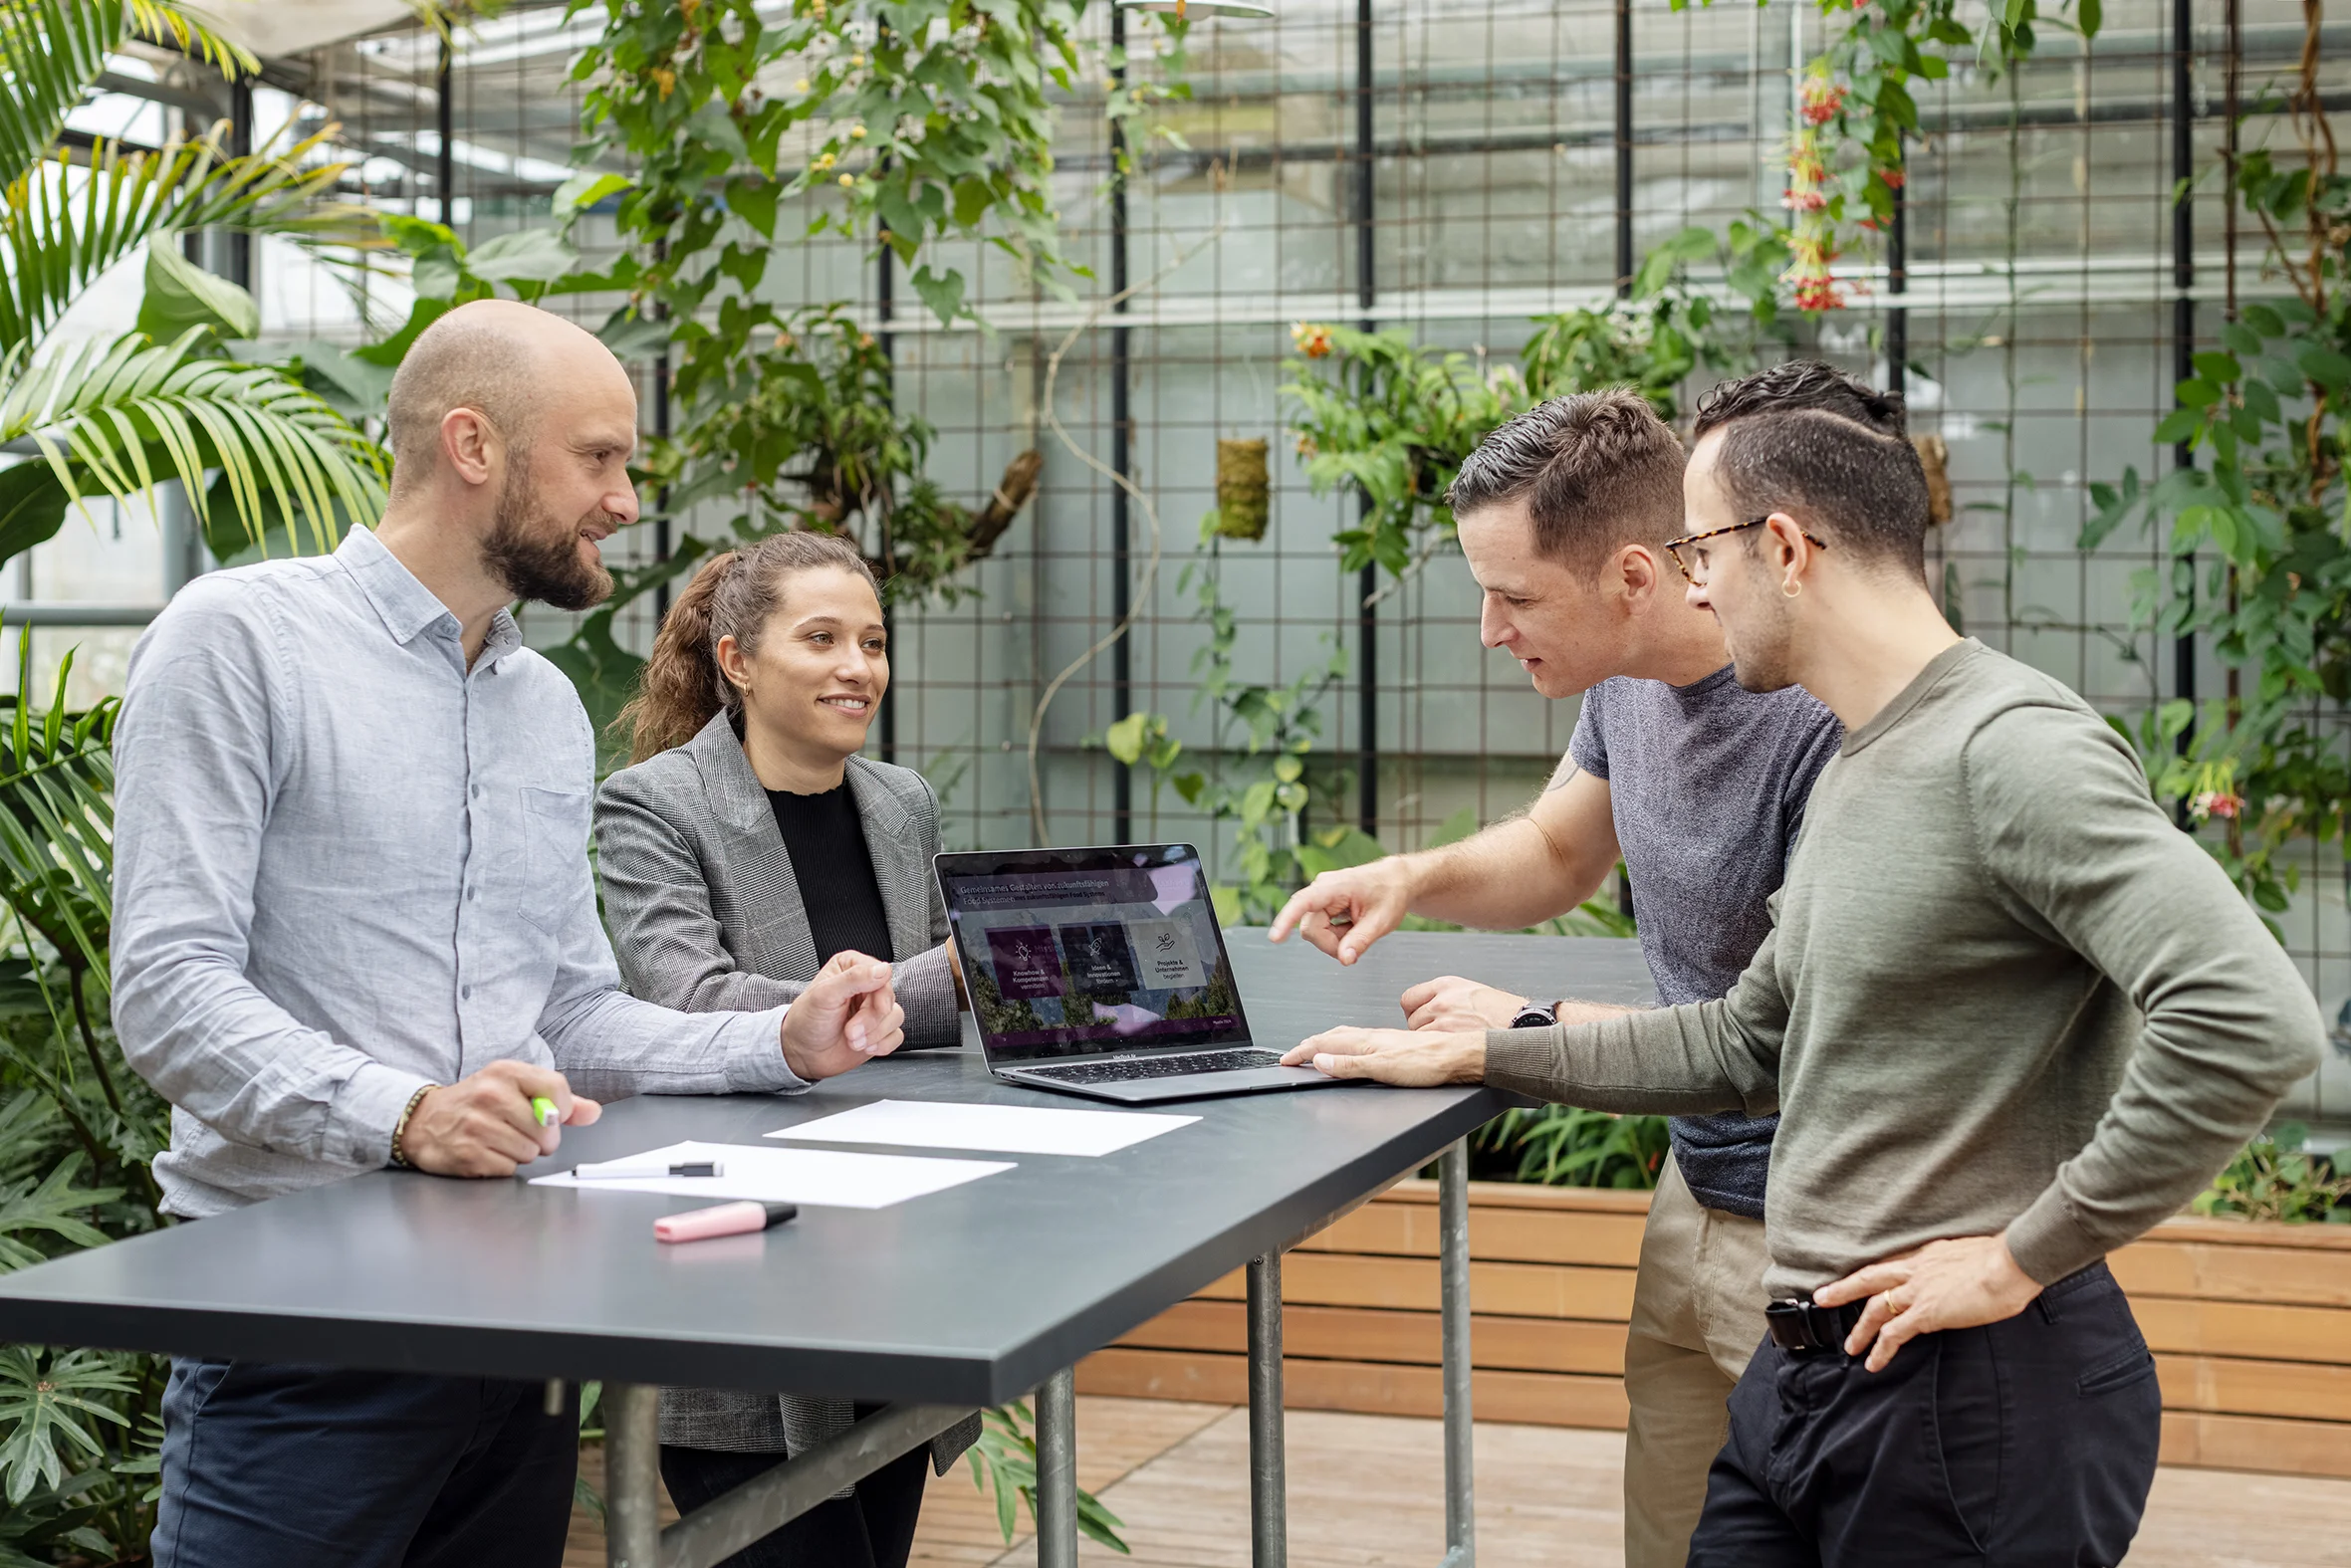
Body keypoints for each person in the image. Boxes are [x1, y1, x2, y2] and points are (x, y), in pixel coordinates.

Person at [1283, 392, 2325, 1564]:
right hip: (1814, 1361)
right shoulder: (1866, 758)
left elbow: (2252, 1024)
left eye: (1701, 551)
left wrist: (2024, 1252)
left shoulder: (2011, 747)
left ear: (1781, 548)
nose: (1692, 585)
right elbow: (1743, 1043)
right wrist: (1492, 1048)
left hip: (1964, 1387)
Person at [112, 299, 906, 1568]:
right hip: (306, 1321)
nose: (626, 500)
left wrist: (783, 1041)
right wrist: (408, 1111)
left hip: (521, 1319)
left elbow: (573, 1012)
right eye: (599, 458)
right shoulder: (241, 643)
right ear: (474, 445)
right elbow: (166, 989)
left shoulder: (538, 704)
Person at [1271, 374, 1884, 1567]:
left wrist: (1531, 1023)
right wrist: (1417, 875)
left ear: (1637, 579)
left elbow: (1782, 1040)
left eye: (1511, 598)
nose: (1489, 631)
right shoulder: (1627, 681)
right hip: (1694, 1189)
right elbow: (1560, 847)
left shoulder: (1826, 725)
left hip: (1832, 1231)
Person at [594, 530, 975, 1568]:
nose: (860, 667)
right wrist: (958, 972)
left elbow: (934, 1011)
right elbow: (693, 1000)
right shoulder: (655, 806)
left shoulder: (902, 804)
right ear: (738, 662)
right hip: (735, 1273)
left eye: (875, 641)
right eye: (822, 639)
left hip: (887, 1258)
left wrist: (993, 972)